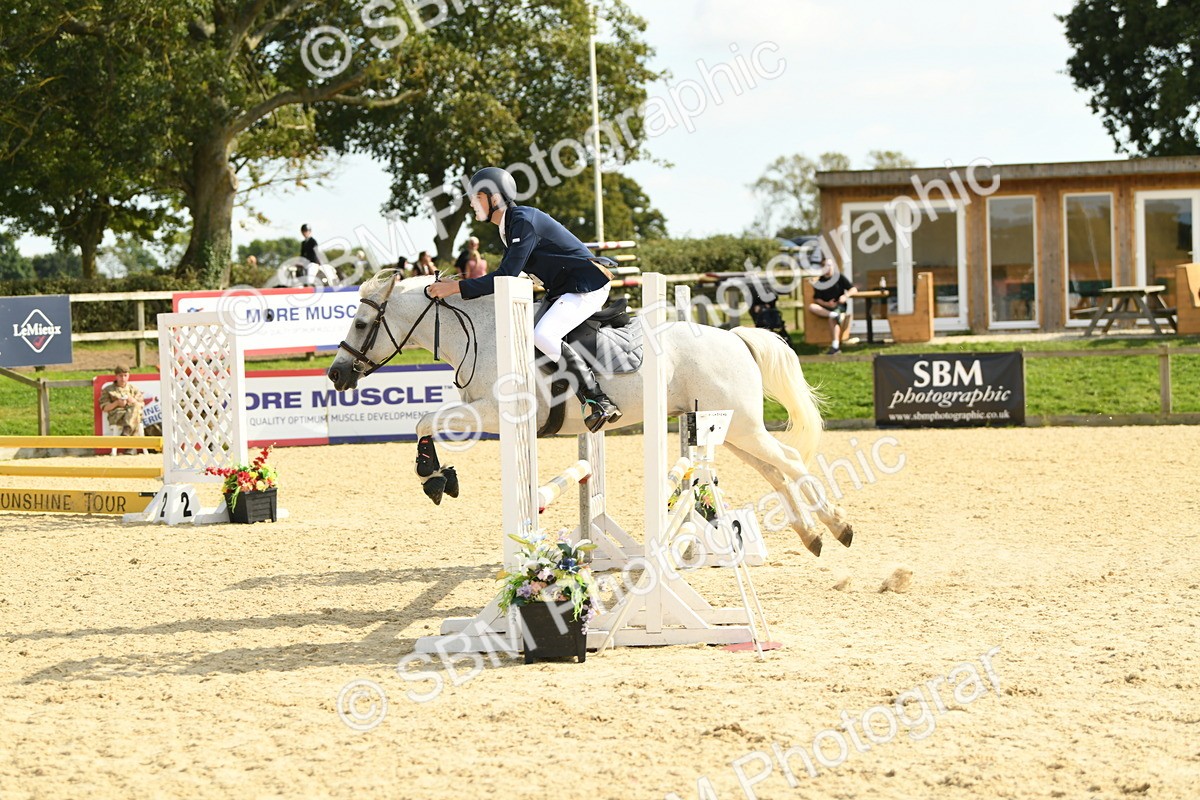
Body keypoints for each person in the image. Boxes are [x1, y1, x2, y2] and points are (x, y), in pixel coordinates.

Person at [426, 166, 620, 432]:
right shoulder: (509, 226)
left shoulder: (522, 221)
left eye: (476, 197)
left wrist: (455, 288)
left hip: (587, 286)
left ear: (494, 198)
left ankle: (597, 400)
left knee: (544, 335)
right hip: (565, 289)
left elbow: (506, 275)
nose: (472, 203)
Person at [809, 258, 858, 355]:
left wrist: (845, 296)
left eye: (830, 265)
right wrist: (826, 304)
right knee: (812, 307)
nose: (828, 268)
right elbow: (817, 299)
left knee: (832, 319)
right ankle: (833, 314)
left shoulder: (839, 278)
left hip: (839, 306)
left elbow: (853, 289)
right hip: (826, 308)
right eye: (826, 266)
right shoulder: (820, 282)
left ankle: (835, 347)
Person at [99, 366, 144, 453]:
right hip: (117, 415)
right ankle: (129, 444)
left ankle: (127, 433)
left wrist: (133, 401)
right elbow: (104, 407)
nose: (123, 378)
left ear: (128, 376)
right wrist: (117, 403)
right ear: (116, 376)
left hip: (132, 415)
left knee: (135, 409)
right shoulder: (108, 390)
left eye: (125, 375)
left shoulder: (133, 389)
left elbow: (141, 404)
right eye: (120, 376)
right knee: (135, 417)